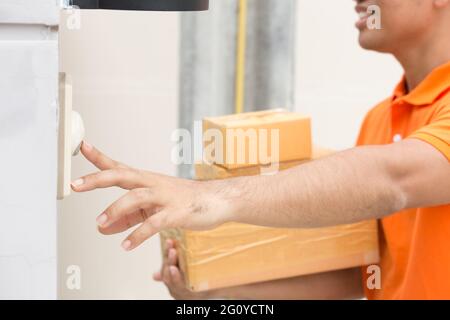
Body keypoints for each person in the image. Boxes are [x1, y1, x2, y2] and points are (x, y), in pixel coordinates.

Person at [71, 0, 450, 299]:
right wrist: (216, 289)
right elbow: (365, 273)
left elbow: (392, 179)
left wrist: (207, 198)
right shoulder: (381, 118)